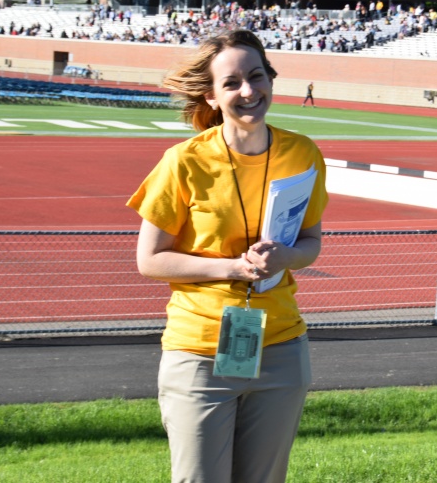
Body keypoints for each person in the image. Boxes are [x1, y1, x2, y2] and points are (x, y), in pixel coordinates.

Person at [127, 29, 328, 483]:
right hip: (199, 351)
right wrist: (234, 268)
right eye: (232, 83)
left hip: (281, 348)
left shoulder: (303, 153)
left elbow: (311, 243)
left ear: (271, 81)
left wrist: (285, 257)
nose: (248, 91)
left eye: (257, 77)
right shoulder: (184, 161)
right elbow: (150, 259)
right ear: (212, 97)